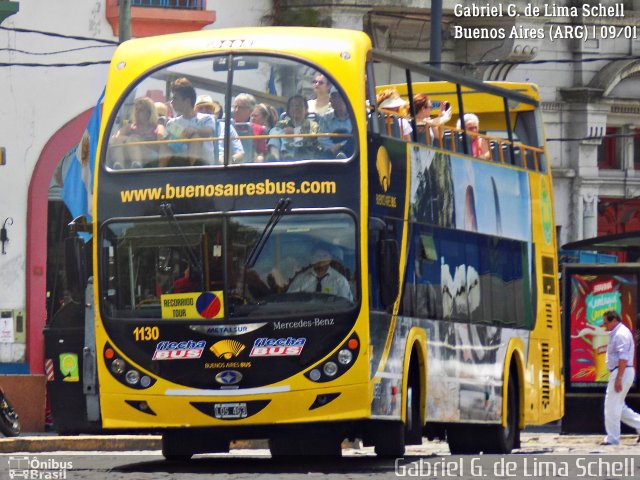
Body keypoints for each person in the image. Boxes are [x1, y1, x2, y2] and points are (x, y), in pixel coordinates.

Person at [600, 310, 640, 446]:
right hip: (622, 371)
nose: (605, 325)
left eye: (606, 322)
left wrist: (618, 378)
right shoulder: (618, 332)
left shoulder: (621, 334)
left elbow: (623, 358)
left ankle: (612, 438)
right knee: (619, 406)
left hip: (621, 371)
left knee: (611, 406)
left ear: (614, 321)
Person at [110, 96, 167, 169]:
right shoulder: (130, 127)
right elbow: (115, 137)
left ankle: (137, 165)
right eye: (136, 109)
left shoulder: (158, 127)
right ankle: (119, 165)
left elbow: (163, 144)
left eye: (141, 110)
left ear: (149, 112)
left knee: (134, 138)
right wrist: (125, 139)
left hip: (151, 156)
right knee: (119, 140)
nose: (137, 112)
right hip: (131, 155)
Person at [287, 246, 352, 300]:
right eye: (318, 256)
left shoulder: (340, 280)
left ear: (330, 259)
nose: (321, 259)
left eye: (325, 256)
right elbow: (290, 300)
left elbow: (346, 303)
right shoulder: (301, 279)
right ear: (312, 258)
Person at [268, 95, 320, 161]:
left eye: (299, 105)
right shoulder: (282, 123)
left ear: (306, 109)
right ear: (288, 110)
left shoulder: (313, 125)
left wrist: (295, 134)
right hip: (282, 158)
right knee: (275, 131)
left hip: (305, 157)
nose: (296, 108)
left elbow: (313, 141)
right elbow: (273, 135)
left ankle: (289, 155)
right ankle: (274, 156)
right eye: (292, 105)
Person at [318, 87, 353, 158]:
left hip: (353, 154)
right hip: (332, 156)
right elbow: (322, 138)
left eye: (340, 97)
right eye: (334, 97)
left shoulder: (355, 117)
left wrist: (341, 145)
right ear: (330, 100)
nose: (337, 100)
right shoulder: (325, 119)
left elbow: (358, 138)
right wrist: (334, 149)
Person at [232, 93, 268, 162]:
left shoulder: (259, 129)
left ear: (250, 111)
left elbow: (261, 153)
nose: (236, 110)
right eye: (235, 107)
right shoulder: (226, 127)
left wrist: (258, 162)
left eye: (240, 107)